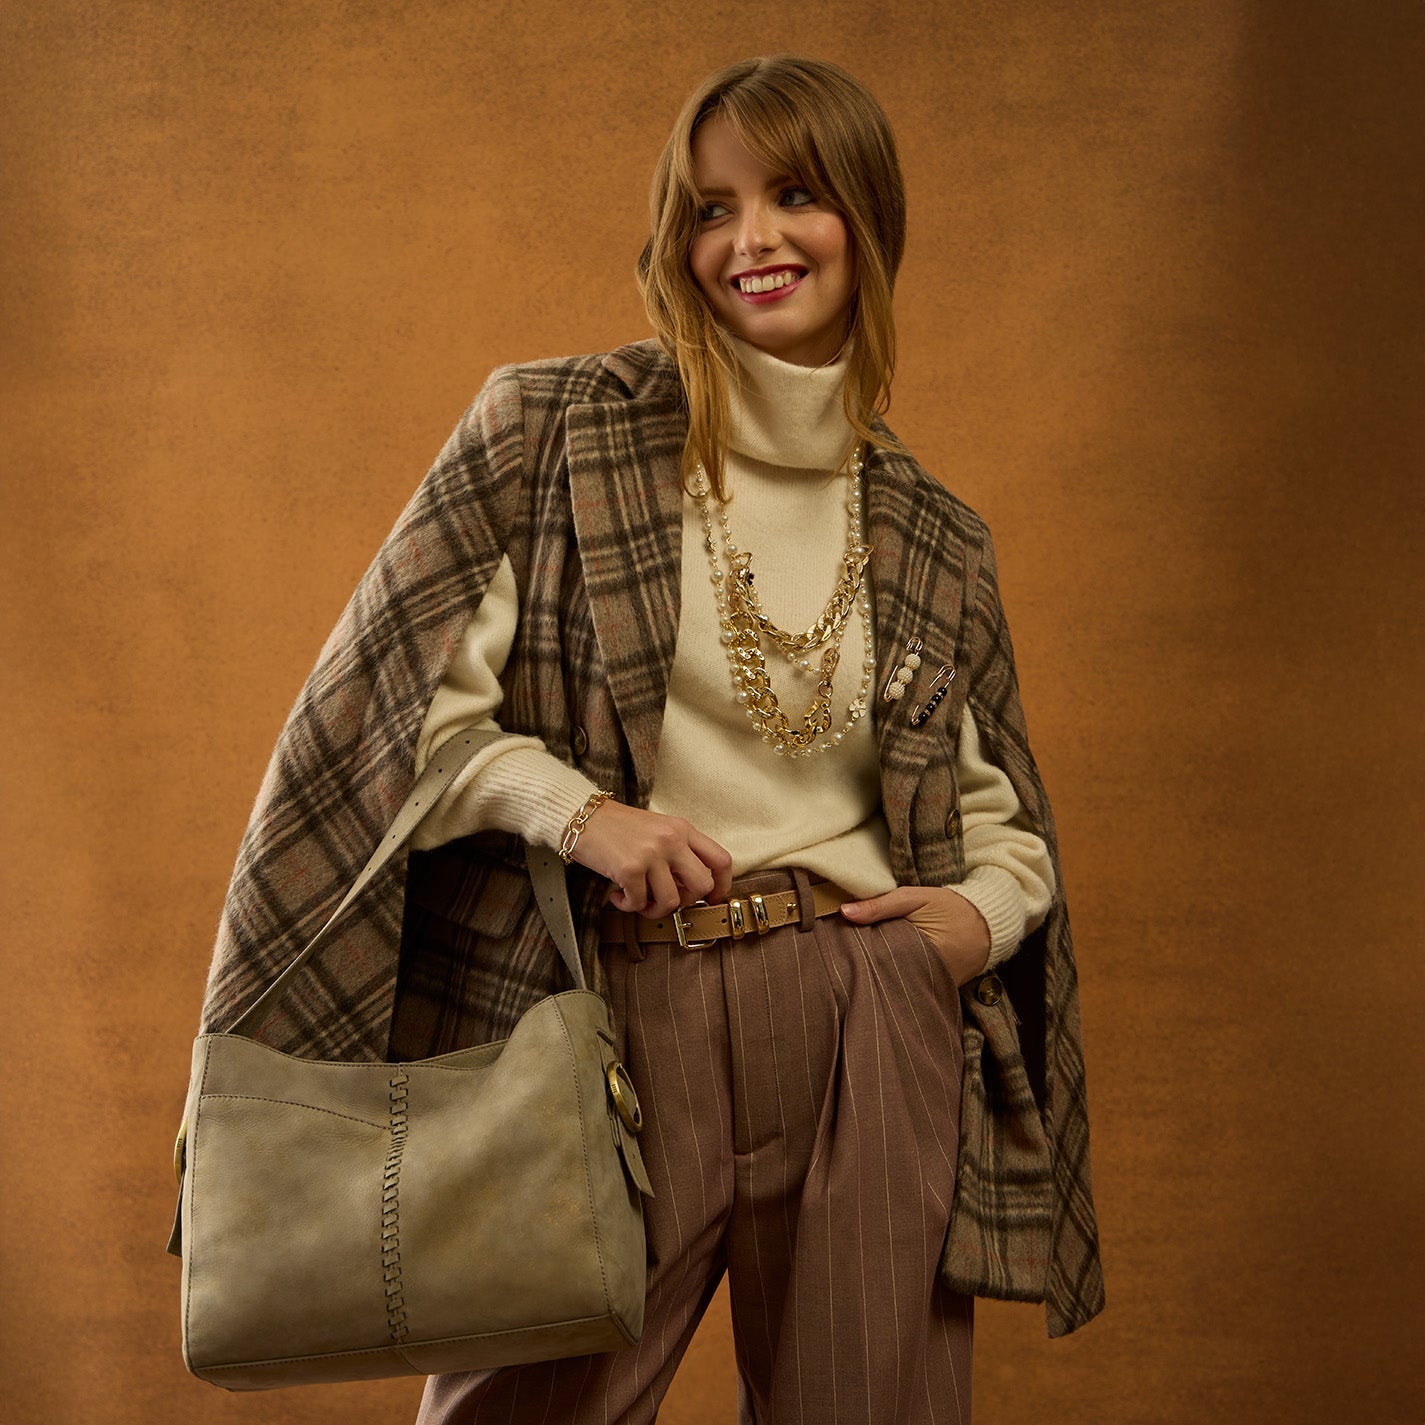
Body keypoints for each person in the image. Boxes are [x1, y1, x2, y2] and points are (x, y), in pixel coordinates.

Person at [200, 53, 1103, 1425]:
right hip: (619, 1009)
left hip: (866, 1006)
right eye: (706, 207)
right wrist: (579, 812)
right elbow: (392, 704)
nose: (748, 239)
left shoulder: (931, 529)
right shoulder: (552, 430)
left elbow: (1004, 824)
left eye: (792, 194)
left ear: (865, 217)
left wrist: (964, 929)